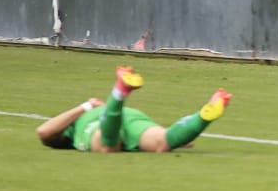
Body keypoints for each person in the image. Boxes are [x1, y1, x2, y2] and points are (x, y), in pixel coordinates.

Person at [34, 66, 231, 154]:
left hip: (103, 122)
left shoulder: (78, 127)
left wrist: (86, 106)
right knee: (163, 143)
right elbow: (46, 132)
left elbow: (43, 131)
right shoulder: (71, 134)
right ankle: (203, 116)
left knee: (107, 147)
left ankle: (119, 92)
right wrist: (180, 138)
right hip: (130, 118)